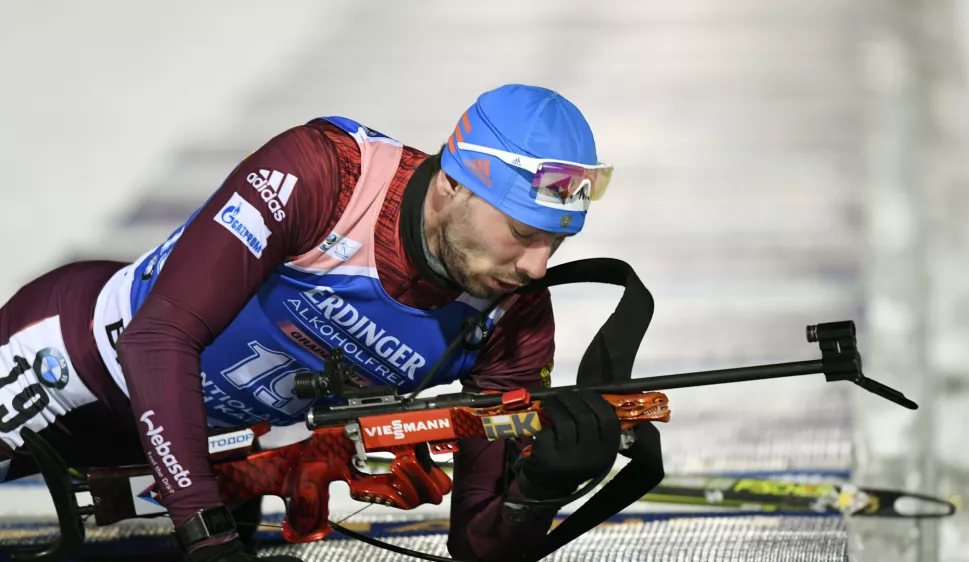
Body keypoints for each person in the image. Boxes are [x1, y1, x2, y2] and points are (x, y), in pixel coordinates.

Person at [0, 84, 623, 561]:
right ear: (451, 185)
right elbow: (157, 338)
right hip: (71, 369)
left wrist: (537, 491)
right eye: (521, 233)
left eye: (556, 242)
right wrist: (205, 532)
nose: (539, 266)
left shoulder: (514, 315)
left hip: (196, 463)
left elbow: (478, 548)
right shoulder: (329, 175)